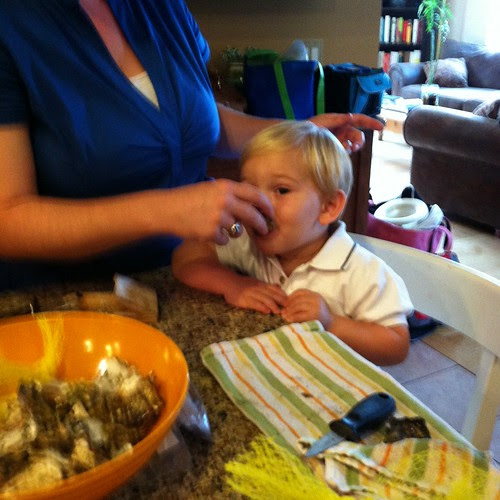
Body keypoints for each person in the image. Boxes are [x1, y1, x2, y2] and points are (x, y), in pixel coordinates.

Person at [0, 0, 382, 291]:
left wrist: (297, 133)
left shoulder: (164, 8)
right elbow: (8, 219)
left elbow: (195, 124)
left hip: (188, 276)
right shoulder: (13, 23)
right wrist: (165, 211)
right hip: (64, 299)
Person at [172, 121, 412, 365]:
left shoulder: (362, 272)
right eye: (250, 189)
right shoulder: (248, 243)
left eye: (282, 190)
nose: (259, 203)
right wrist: (233, 285)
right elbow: (186, 256)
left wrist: (331, 322)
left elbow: (396, 344)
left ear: (328, 207)